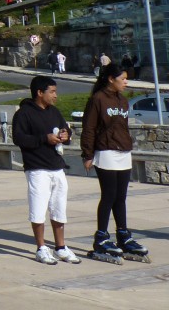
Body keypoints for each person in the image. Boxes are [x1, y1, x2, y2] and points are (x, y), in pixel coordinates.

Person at [80, 63, 149, 262]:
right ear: (111, 79)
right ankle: (101, 237)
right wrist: (87, 154)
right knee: (109, 196)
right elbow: (89, 128)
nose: (126, 82)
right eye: (123, 79)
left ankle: (123, 235)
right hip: (106, 152)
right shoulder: (98, 99)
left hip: (123, 151)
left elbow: (123, 127)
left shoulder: (123, 100)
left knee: (121, 197)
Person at [11, 75, 80, 265]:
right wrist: (44, 138)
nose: (56, 95)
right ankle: (41, 247)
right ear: (40, 93)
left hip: (57, 166)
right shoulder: (24, 114)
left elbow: (66, 129)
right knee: (38, 208)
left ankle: (60, 247)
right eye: (52, 91)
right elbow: (19, 139)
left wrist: (66, 134)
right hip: (37, 168)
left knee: (59, 208)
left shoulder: (54, 111)